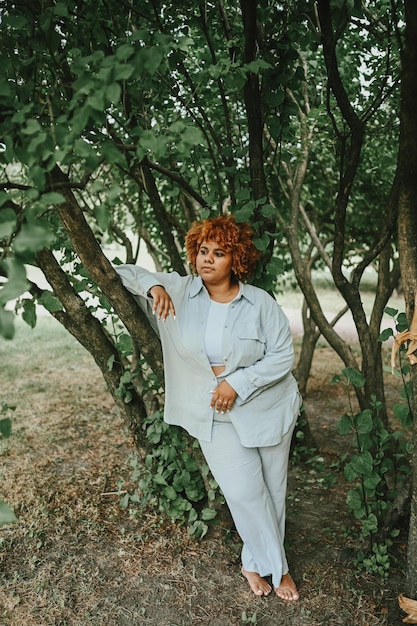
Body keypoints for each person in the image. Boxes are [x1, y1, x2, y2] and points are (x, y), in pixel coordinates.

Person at [115, 214, 302, 601]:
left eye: (219, 253)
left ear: (237, 260)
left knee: (272, 490)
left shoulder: (260, 304)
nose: (208, 259)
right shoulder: (177, 291)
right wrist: (152, 285)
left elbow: (283, 355)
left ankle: (254, 562)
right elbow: (118, 270)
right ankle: (280, 569)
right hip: (213, 416)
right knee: (244, 493)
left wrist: (238, 383)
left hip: (268, 407)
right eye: (203, 251)